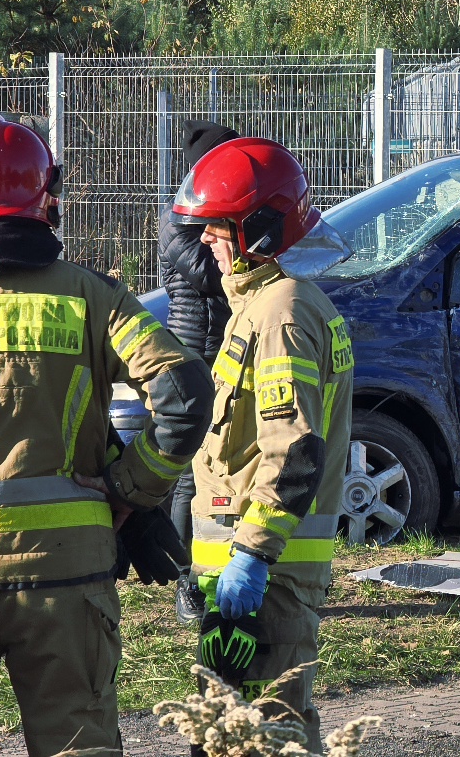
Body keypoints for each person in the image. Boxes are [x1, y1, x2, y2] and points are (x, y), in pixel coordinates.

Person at [0, 114, 212, 757]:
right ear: (49, 195)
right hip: (69, 576)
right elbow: (183, 393)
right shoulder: (91, 297)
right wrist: (137, 486)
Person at [172, 137, 352, 746]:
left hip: (264, 576)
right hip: (251, 569)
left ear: (260, 231)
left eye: (217, 230)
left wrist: (251, 552)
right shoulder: (268, 305)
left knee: (265, 735)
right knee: (239, 733)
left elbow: (293, 449)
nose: (205, 242)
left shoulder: (281, 314)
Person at [160, 120, 239, 623]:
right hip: (192, 356)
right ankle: (184, 580)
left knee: (231, 465)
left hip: (229, 349)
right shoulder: (179, 221)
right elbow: (213, 275)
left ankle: (234, 564)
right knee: (191, 474)